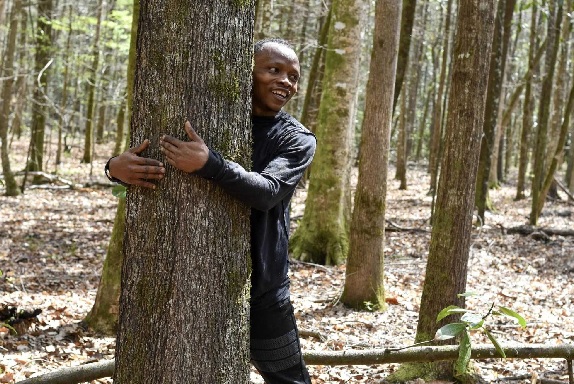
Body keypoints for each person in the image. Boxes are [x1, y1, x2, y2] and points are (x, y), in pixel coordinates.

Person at [105, 38, 315, 384]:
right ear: (246, 72)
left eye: (293, 76)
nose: (286, 82)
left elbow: (268, 192)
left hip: (264, 288)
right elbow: (143, 162)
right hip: (176, 278)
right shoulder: (198, 110)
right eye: (273, 70)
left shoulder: (297, 139)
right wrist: (113, 168)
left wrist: (211, 165)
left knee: (289, 380)